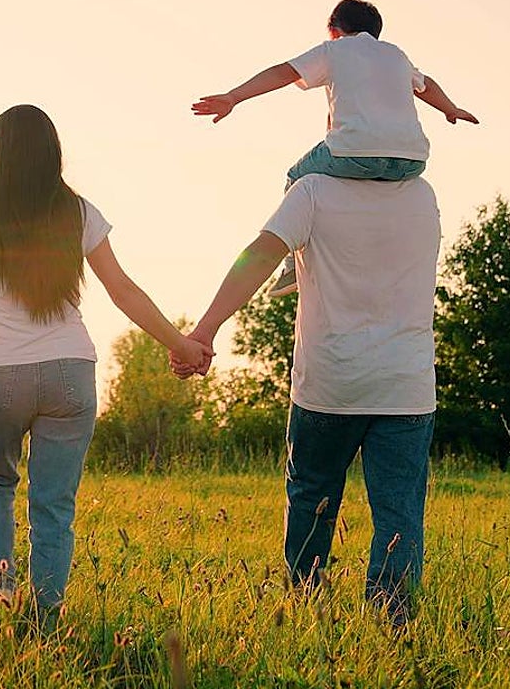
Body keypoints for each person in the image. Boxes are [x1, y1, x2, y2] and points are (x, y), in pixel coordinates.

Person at [0, 104, 211, 629]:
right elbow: (122, 289)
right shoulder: (77, 211)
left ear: (1, 154)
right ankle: (46, 614)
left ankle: (3, 588)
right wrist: (182, 343)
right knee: (53, 503)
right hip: (68, 371)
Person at [173, 173, 441, 625]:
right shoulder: (422, 193)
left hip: (330, 381)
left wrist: (205, 329)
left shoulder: (312, 190)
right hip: (405, 382)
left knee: (310, 498)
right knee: (400, 514)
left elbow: (258, 255)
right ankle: (393, 628)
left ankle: (303, 609)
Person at [191, 0, 476, 296]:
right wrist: (450, 109)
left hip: (354, 153)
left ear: (334, 31)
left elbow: (283, 72)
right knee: (346, 149)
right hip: (411, 161)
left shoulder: (334, 50)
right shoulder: (395, 55)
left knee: (296, 176)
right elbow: (426, 84)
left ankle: (291, 267)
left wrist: (234, 97)